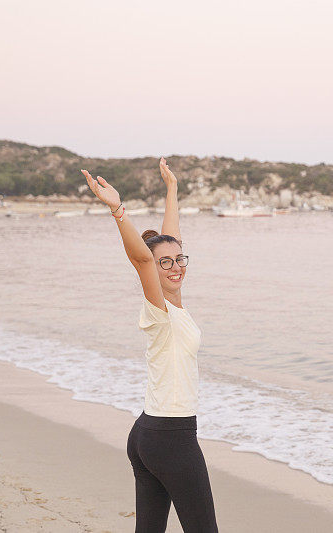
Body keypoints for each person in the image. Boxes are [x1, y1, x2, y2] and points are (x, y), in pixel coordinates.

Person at [82, 160, 217, 533]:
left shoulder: (175, 301)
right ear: (153, 272)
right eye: (166, 264)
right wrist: (118, 209)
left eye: (180, 260)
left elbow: (165, 244)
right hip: (171, 438)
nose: (175, 267)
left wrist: (172, 189)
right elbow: (144, 257)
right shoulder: (159, 312)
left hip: (148, 433)